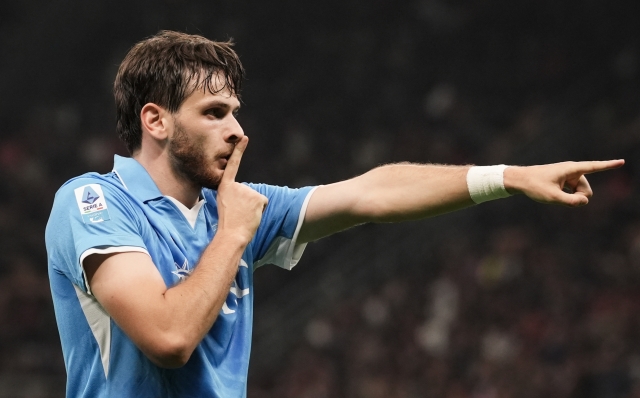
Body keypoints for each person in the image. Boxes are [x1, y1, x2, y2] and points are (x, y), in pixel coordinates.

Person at [45, 30, 624, 398]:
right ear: (156, 121)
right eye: (215, 112)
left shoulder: (234, 208)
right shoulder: (92, 203)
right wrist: (236, 233)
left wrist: (509, 178)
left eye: (236, 112)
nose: (238, 130)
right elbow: (168, 337)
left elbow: (369, 193)